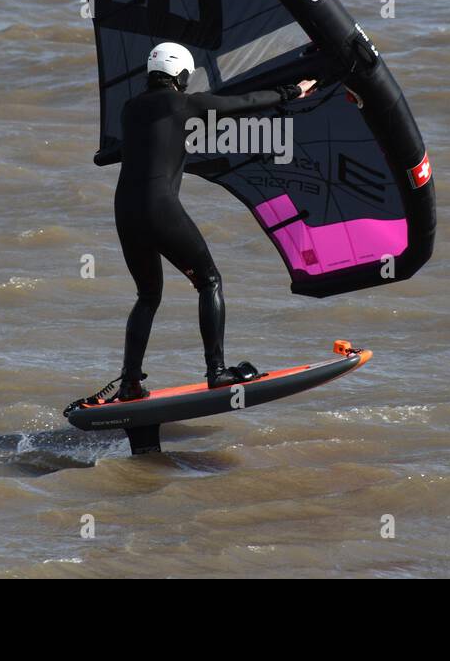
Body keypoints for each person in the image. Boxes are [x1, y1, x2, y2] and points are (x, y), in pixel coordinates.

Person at [112, 41, 316, 401]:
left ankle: (129, 382)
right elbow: (244, 103)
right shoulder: (187, 104)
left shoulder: (129, 109)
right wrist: (292, 90)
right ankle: (216, 372)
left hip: (125, 210)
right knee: (209, 281)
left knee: (147, 295)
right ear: (182, 75)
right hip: (159, 207)